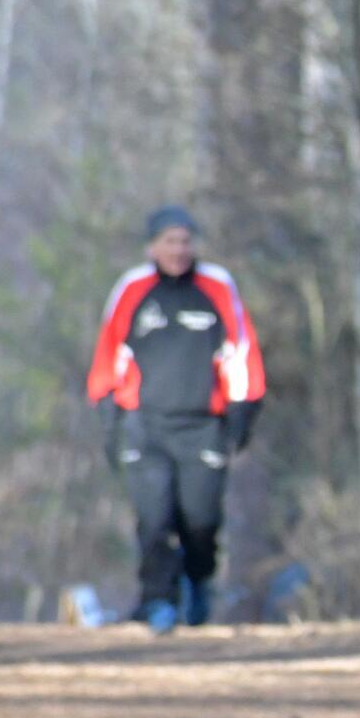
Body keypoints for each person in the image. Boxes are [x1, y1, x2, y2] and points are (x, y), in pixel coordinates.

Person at [86, 205, 266, 634]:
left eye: (185, 241)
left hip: (202, 424)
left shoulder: (217, 286)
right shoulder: (132, 289)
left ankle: (198, 581)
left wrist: (242, 409)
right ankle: (157, 601)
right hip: (145, 423)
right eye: (169, 241)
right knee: (154, 520)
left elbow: (241, 350)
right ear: (152, 247)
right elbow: (109, 353)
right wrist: (108, 411)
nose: (178, 249)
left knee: (201, 521)